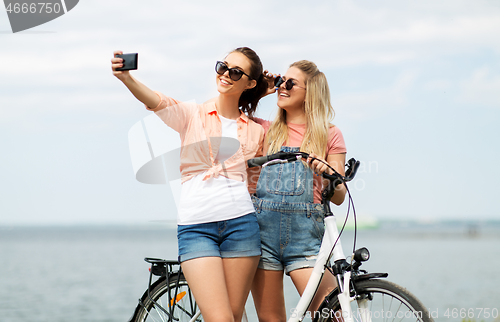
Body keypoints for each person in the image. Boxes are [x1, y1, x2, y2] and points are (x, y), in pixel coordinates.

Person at [111, 47, 268, 322]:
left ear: (250, 83)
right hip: (197, 229)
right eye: (223, 67)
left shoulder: (256, 130)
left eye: (235, 72)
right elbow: (158, 101)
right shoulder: (193, 114)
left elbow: (253, 183)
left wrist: (273, 89)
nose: (226, 75)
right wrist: (127, 79)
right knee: (221, 319)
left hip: (242, 227)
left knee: (234, 315)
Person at [250, 60, 347, 322]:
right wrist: (261, 89)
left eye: (290, 83)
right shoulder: (263, 130)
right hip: (262, 238)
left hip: (305, 242)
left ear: (310, 92)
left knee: (334, 316)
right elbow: (231, 114)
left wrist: (328, 173)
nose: (282, 86)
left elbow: (339, 197)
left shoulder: (330, 135)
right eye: (282, 80)